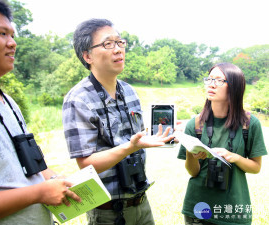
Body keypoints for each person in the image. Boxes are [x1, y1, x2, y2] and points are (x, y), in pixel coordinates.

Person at [0, 1, 81, 224]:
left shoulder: (7, 102)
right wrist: (38, 193)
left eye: (12, 34)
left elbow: (31, 167)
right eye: (1, 33)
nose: (12, 43)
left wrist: (57, 181)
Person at [62, 18, 173, 225]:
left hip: (141, 202)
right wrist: (129, 148)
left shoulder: (129, 91)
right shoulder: (78, 99)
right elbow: (86, 164)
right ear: (87, 56)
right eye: (107, 44)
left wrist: (160, 134)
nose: (118, 49)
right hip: (109, 212)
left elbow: (138, 138)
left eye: (120, 42)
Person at [177, 62, 267, 225]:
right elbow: (193, 172)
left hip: (233, 211)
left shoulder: (249, 124)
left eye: (218, 80)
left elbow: (256, 167)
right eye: (209, 79)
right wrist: (191, 153)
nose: (211, 85)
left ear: (234, 87)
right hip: (198, 209)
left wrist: (234, 157)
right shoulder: (195, 124)